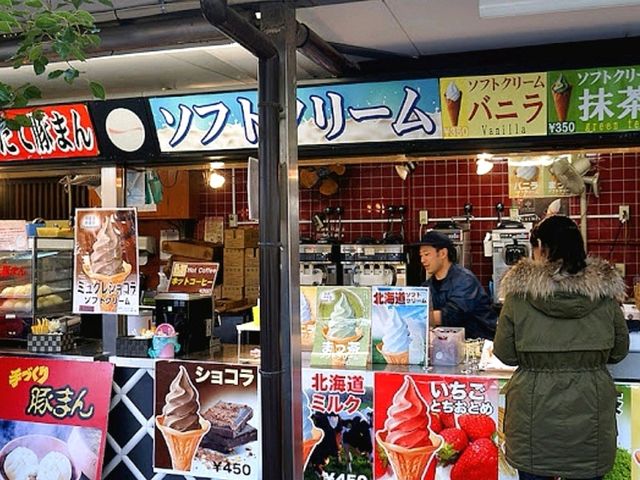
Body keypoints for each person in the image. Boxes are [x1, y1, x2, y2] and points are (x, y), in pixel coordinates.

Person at [493, 215, 629, 480]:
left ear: (541, 247)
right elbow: (619, 350)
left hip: (533, 418)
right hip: (590, 415)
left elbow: (505, 354)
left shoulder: (518, 297)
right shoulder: (604, 296)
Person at [418, 231, 497, 339]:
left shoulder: (465, 280)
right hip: (449, 346)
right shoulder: (427, 286)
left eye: (426, 254)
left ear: (442, 253)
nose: (423, 260)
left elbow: (452, 314)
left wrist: (415, 315)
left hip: (478, 343)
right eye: (421, 256)